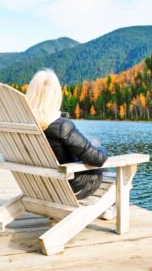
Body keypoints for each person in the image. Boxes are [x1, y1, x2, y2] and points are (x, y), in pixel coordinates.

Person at [25, 69, 108, 199]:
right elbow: (98, 158)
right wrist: (100, 148)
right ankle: (108, 206)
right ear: (55, 96)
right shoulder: (62, 126)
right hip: (68, 185)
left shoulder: (24, 124)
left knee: (89, 150)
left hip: (36, 184)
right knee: (97, 166)